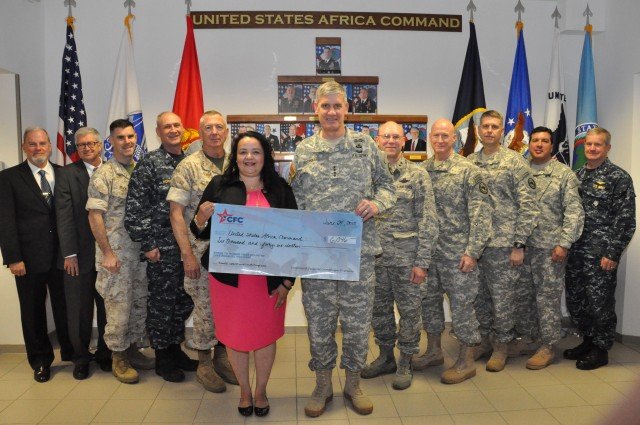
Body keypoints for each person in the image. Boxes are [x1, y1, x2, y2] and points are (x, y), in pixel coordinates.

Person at [290, 81, 396, 417]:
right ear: (316, 109)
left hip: (358, 253)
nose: (332, 112)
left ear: (347, 109)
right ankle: (322, 384)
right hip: (317, 255)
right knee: (320, 321)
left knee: (357, 321)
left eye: (338, 106)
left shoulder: (366, 146)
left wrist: (377, 204)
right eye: (326, 106)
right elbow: (293, 201)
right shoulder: (304, 150)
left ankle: (353, 383)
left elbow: (388, 188)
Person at [191, 131, 297, 417]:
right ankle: (245, 391)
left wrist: (287, 281)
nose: (249, 158)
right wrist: (200, 218)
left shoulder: (280, 190)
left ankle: (261, 391)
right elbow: (199, 229)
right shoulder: (219, 186)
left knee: (264, 336)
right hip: (229, 282)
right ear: (234, 156)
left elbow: (295, 238)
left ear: (265, 156)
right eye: (243, 152)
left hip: (269, 282)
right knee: (235, 337)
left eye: (256, 152)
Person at [360, 121, 437, 390]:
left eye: (396, 136)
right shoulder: (366, 175)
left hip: (407, 260)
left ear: (404, 141)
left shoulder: (417, 175)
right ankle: (385, 358)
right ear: (377, 140)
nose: (390, 140)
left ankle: (405, 360)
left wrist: (422, 263)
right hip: (374, 259)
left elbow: (428, 220)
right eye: (385, 136)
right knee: (378, 311)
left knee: (410, 312)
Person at [416, 118, 492, 384]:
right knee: (429, 303)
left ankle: (466, 360)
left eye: (445, 136)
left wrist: (472, 252)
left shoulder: (468, 171)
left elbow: (481, 215)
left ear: (454, 139)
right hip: (429, 254)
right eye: (435, 135)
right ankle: (434, 351)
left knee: (462, 307)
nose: (439, 140)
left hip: (457, 254)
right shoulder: (422, 170)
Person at [124, 112, 198, 382]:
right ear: (158, 131)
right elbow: (134, 209)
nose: (173, 130)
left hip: (188, 248)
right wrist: (148, 244)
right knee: (161, 304)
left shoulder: (191, 163)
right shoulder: (150, 164)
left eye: (177, 125)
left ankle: (176, 348)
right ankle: (163, 356)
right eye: (167, 126)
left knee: (182, 301)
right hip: (162, 250)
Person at [168, 110, 237, 392]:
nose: (214, 132)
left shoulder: (237, 163)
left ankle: (223, 357)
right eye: (208, 127)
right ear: (200, 132)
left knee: (228, 307)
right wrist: (187, 254)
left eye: (219, 127)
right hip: (201, 250)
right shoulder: (189, 166)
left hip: (234, 252)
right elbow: (175, 213)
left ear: (226, 131)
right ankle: (205, 364)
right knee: (205, 308)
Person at [467, 110, 539, 372]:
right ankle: (484, 341)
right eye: (484, 126)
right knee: (479, 297)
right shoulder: (470, 163)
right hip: (476, 245)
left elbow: (529, 206)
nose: (488, 131)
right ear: (478, 130)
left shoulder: (515, 163)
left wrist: (519, 244)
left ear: (501, 132)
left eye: (494, 127)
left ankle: (502, 345)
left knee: (503, 298)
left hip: (503, 244)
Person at [0, 127, 73, 383]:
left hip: (64, 257)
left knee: (67, 308)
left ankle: (72, 353)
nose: (38, 148)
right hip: (27, 260)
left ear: (50, 145)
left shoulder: (64, 174)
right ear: (24, 147)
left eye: (42, 143)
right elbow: (5, 221)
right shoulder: (8, 178)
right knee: (32, 312)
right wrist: (13, 258)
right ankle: (41, 361)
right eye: (32, 144)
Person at [87, 119, 154, 384]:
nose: (127, 141)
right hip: (116, 255)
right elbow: (94, 216)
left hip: (139, 254)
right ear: (111, 141)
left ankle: (134, 350)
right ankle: (118, 357)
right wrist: (107, 253)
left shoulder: (139, 170)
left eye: (130, 136)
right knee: (118, 307)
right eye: (120, 138)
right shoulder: (104, 174)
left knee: (138, 302)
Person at [513, 126, 584, 370]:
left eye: (544, 141)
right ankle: (530, 337)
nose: (539, 145)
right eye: (535, 140)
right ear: (529, 144)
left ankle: (548, 344)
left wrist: (564, 243)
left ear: (552, 146)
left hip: (549, 248)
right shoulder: (518, 172)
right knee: (523, 296)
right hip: (520, 247)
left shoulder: (563, 175)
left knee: (547, 298)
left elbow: (574, 212)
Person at [564, 127, 636, 370]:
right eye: (589, 144)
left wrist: (612, 253)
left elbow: (625, 220)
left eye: (598, 145)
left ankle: (601, 348)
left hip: (601, 254)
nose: (592, 149)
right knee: (577, 299)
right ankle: (587, 340)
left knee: (600, 302)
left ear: (607, 148)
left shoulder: (619, 178)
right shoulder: (577, 175)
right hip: (576, 252)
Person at [55, 127, 111, 379]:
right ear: (76, 149)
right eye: (81, 145)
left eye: (91, 143)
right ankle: (80, 357)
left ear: (100, 145)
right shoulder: (67, 174)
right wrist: (69, 254)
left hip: (112, 253)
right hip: (79, 255)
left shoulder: (113, 170)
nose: (87, 148)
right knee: (79, 309)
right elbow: (64, 215)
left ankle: (106, 353)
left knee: (109, 307)